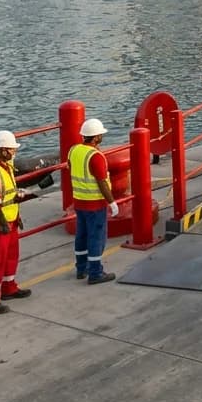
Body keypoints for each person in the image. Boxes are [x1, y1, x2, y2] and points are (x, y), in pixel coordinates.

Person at [0, 130, 37, 313]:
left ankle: (9, 287)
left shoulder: (5, 166)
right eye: (12, 149)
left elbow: (8, 196)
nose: (14, 152)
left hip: (9, 219)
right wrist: (3, 221)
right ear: (3, 150)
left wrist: (16, 217)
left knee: (11, 255)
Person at [69, 118, 119, 284]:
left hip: (79, 201)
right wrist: (112, 202)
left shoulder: (73, 151)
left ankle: (81, 269)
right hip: (95, 203)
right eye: (100, 134)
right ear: (96, 137)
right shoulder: (96, 156)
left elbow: (70, 168)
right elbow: (102, 182)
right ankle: (95, 272)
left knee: (81, 236)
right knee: (96, 238)